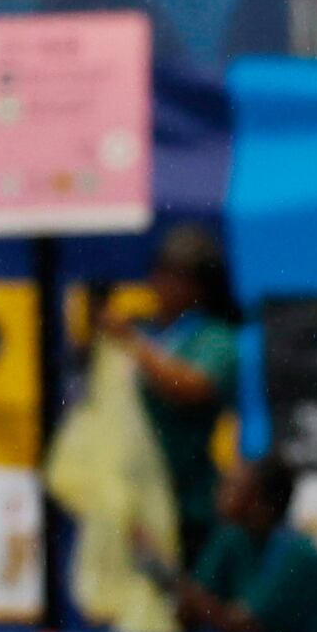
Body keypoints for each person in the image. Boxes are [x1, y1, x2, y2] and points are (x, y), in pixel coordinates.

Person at [110, 223, 242, 553]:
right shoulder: (146, 331)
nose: (159, 283)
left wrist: (133, 345)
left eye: (173, 276)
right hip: (131, 500)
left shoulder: (215, 338)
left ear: (199, 286)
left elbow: (190, 386)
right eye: (158, 272)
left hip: (187, 503)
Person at [162, 455, 317, 632]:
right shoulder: (231, 539)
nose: (220, 491)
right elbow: (188, 616)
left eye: (233, 486)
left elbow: (242, 627)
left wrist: (163, 573)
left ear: (260, 503)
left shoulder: (297, 554)